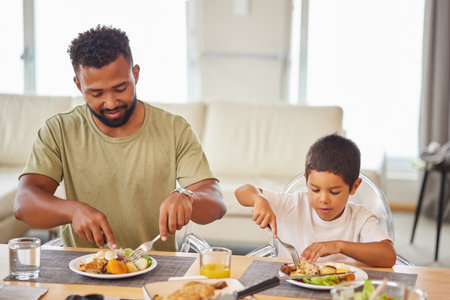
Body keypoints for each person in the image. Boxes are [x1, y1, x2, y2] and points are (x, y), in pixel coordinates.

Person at [13, 25, 226, 251]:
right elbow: (24, 203)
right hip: (82, 268)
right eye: (96, 93)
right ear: (79, 85)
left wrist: (188, 197)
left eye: (120, 88)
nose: (111, 102)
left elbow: (216, 202)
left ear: (135, 74)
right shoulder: (59, 130)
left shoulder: (174, 128)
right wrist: (72, 210)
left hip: (159, 268)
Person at [235, 133, 396, 267]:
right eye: (315, 190)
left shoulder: (360, 217)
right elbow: (241, 191)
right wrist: (258, 199)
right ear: (306, 181)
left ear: (354, 187)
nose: (323, 199)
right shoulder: (292, 205)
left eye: (334, 192)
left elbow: (388, 256)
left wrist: (337, 246)